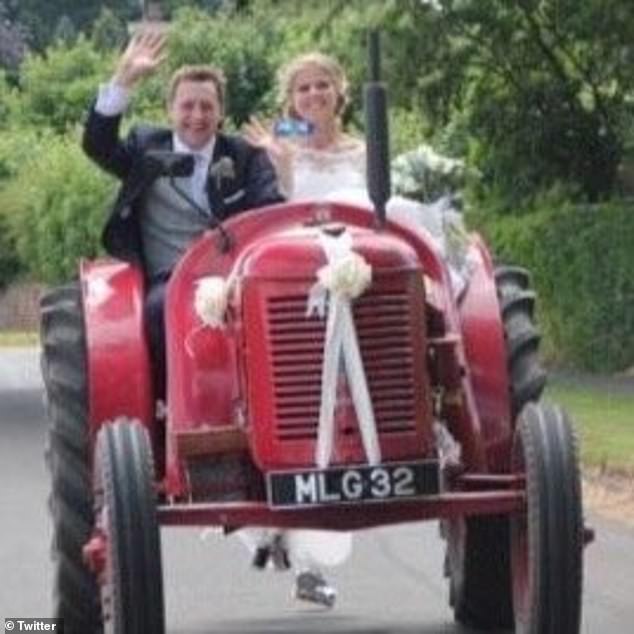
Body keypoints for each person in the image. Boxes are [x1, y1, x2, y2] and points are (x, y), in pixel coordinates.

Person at [82, 29, 283, 397]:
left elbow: (270, 209)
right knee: (162, 310)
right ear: (170, 110)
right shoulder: (145, 147)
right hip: (168, 277)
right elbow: (97, 144)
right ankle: (171, 400)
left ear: (221, 112)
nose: (197, 115)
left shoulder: (245, 155)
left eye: (207, 106)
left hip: (234, 276)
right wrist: (123, 81)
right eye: (187, 105)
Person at [242, 52, 365, 609]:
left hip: (363, 273)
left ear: (340, 92)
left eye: (322, 86)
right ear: (291, 99)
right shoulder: (281, 147)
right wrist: (280, 157)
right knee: (299, 400)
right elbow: (276, 209)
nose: (313, 95)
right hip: (301, 281)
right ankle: (300, 553)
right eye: (302, 89)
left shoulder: (365, 151)